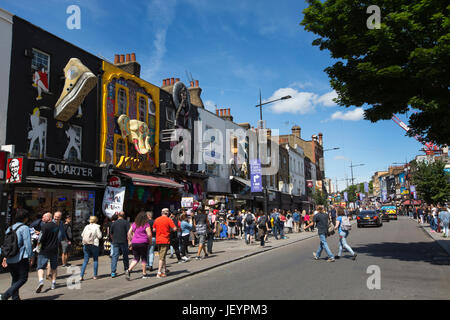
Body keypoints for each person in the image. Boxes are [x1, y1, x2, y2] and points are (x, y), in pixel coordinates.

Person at [0, 209, 32, 300]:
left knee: (15, 278)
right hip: (21, 257)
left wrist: (5, 257)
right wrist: (31, 256)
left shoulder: (10, 228)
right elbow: (27, 244)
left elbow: (6, 244)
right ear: (25, 218)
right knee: (23, 278)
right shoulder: (24, 228)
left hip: (10, 257)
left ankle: (15, 297)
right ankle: (5, 295)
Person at [35, 212, 59, 293]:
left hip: (44, 249)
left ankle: (41, 281)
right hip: (54, 249)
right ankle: (53, 283)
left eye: (44, 217)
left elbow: (41, 239)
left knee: (40, 267)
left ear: (49, 218)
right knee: (54, 267)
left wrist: (37, 246)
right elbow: (54, 235)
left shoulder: (44, 226)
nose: (42, 218)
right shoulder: (56, 226)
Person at [125, 211, 152, 280]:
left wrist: (130, 240)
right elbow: (149, 234)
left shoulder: (134, 224)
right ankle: (144, 274)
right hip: (143, 242)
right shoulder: (146, 224)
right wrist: (150, 241)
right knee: (144, 258)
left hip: (135, 243)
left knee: (136, 258)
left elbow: (129, 233)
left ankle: (128, 270)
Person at [153, 208, 177, 278]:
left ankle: (164, 270)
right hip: (165, 239)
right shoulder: (169, 220)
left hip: (158, 239)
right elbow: (175, 229)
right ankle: (159, 272)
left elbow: (154, 229)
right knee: (162, 257)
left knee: (162, 255)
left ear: (161, 213)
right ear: (167, 213)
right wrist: (168, 230)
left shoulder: (156, 219)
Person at [79, 216, 102, 281]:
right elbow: (99, 236)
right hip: (94, 244)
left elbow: (82, 235)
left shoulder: (86, 226)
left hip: (86, 244)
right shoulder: (97, 227)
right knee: (95, 260)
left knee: (85, 260)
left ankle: (81, 276)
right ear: (96, 220)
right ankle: (95, 275)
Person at [110, 211, 130, 278]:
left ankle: (113, 272)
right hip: (124, 241)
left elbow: (111, 233)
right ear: (124, 216)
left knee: (115, 256)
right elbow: (128, 233)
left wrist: (113, 239)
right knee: (125, 256)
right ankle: (126, 269)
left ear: (118, 215)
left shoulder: (114, 223)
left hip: (115, 241)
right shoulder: (126, 222)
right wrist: (130, 241)